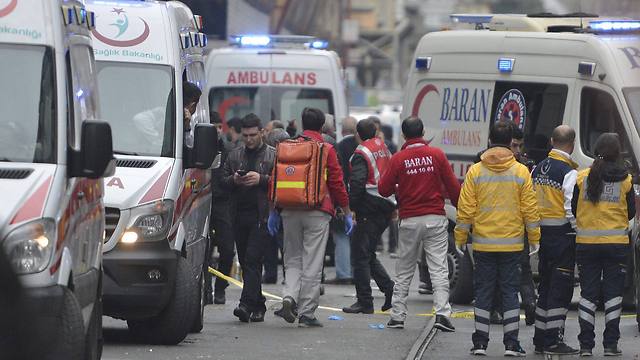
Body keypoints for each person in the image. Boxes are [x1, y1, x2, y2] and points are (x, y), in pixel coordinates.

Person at [455, 121, 541, 356]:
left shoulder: (476, 171)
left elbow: (465, 209)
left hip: (483, 243)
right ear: (510, 142)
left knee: (483, 292)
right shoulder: (521, 171)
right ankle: (511, 344)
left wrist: (461, 236)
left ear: (490, 140)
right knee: (510, 293)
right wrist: (534, 238)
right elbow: (530, 210)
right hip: (512, 244)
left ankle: (480, 343)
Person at [269, 107, 353, 328]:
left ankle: (289, 296)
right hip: (318, 211)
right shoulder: (326, 149)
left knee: (292, 259)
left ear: (302, 123)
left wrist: (273, 211)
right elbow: (336, 183)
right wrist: (346, 212)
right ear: (322, 126)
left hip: (288, 210)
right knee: (313, 263)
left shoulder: (286, 146)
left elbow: (274, 179)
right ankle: (306, 312)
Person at [379, 116, 460, 332]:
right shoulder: (437, 155)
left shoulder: (398, 158)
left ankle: (397, 316)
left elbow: (383, 189)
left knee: (404, 269)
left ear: (404, 135)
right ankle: (442, 314)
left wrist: (399, 187)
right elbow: (453, 187)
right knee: (439, 268)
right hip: (435, 218)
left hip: (409, 219)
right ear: (423, 132)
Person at [572, 133, 635, 357]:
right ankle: (610, 345)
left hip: (587, 244)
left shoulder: (582, 178)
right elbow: (631, 213)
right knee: (613, 296)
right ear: (617, 152)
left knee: (588, 295)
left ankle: (586, 346)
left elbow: (573, 207)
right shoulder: (625, 179)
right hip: (616, 245)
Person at [531, 125, 579, 355]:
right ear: (572, 144)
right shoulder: (568, 172)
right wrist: (577, 229)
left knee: (546, 285)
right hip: (561, 236)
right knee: (560, 288)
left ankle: (540, 338)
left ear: (552, 141)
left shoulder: (537, 168)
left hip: (542, 235)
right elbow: (570, 206)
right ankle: (553, 340)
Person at [222, 113, 275, 322]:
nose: (249, 139)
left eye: (253, 135)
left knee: (253, 259)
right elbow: (222, 183)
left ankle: (245, 304)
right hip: (238, 215)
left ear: (261, 132)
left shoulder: (272, 155)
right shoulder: (235, 155)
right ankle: (259, 304)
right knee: (246, 262)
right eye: (245, 135)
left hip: (262, 216)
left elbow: (281, 182)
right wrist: (234, 179)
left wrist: (261, 179)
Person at [342, 118, 395, 314]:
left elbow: (357, 182)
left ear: (358, 134)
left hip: (369, 207)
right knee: (367, 253)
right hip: (386, 205)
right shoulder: (383, 146)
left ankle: (365, 301)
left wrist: (352, 208)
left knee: (359, 256)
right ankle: (389, 290)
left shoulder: (361, 152)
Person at [208, 111, 236, 305]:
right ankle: (204, 289)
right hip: (201, 200)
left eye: (220, 127)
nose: (218, 131)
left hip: (222, 202)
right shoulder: (197, 147)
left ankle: (220, 288)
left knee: (227, 250)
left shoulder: (228, 150)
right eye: (214, 126)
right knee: (205, 249)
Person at [262, 128, 290, 284]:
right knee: (286, 247)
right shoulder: (294, 158)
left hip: (275, 207)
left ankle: (271, 274)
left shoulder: (272, 158)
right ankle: (287, 276)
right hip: (287, 207)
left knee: (274, 243)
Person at [182, 81, 202, 148]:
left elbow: (190, 145)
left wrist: (187, 127)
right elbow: (190, 148)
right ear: (192, 105)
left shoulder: (192, 121)